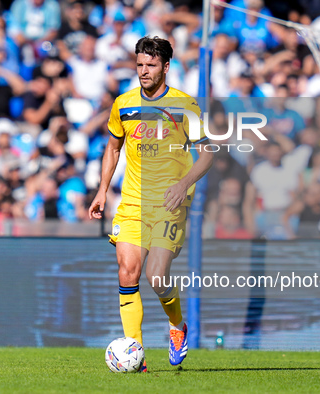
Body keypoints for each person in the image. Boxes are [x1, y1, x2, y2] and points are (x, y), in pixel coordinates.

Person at [88, 36, 213, 371]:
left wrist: (185, 183)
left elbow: (208, 154)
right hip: (131, 202)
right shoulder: (123, 104)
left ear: (166, 67)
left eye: (151, 65)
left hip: (170, 204)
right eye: (139, 64)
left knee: (158, 277)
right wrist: (102, 190)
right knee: (128, 272)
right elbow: (113, 148)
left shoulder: (186, 105)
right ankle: (136, 355)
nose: (143, 71)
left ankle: (177, 326)